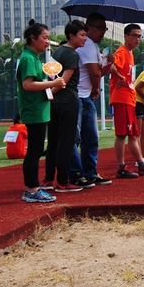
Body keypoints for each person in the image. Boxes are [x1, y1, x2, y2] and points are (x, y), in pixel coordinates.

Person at [17, 21, 65, 203]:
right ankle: (31, 189)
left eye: (48, 38)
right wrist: (53, 84)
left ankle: (32, 188)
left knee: (36, 150)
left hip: (40, 108)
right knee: (35, 151)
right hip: (34, 109)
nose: (47, 42)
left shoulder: (35, 58)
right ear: (33, 38)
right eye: (44, 38)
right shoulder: (28, 58)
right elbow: (27, 84)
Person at [44, 20, 91, 192]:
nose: (85, 38)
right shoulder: (72, 55)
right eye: (82, 35)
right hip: (67, 101)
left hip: (54, 103)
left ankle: (49, 179)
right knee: (66, 143)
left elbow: (50, 77)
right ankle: (63, 182)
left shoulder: (57, 52)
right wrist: (49, 92)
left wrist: (48, 95)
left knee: (53, 142)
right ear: (72, 36)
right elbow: (62, 81)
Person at [69, 12, 113, 186]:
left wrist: (108, 64)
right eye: (99, 28)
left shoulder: (93, 45)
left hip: (86, 96)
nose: (103, 32)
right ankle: (76, 173)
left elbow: (97, 70)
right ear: (88, 28)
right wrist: (96, 86)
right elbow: (95, 73)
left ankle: (89, 172)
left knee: (91, 137)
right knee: (76, 137)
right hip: (78, 96)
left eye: (105, 28)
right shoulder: (87, 45)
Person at [110, 24, 144, 179]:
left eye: (139, 36)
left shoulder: (129, 53)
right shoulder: (122, 52)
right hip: (122, 97)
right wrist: (121, 77)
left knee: (132, 133)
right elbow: (110, 66)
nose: (137, 39)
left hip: (129, 97)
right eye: (134, 35)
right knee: (123, 134)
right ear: (125, 36)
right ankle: (122, 166)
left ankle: (141, 164)